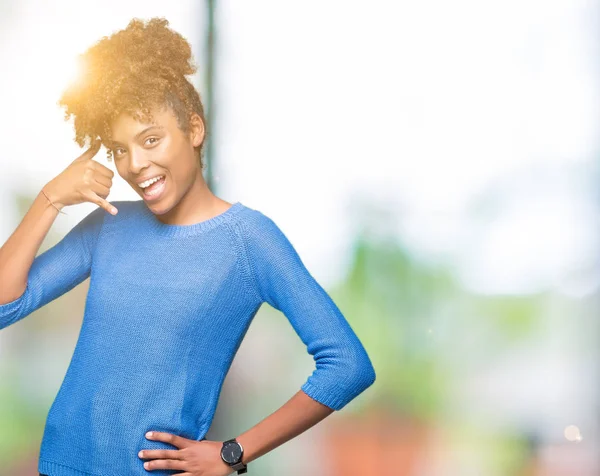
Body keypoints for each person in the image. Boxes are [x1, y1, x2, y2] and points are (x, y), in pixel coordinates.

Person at [0, 17, 376, 476]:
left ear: (193, 129)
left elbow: (348, 365)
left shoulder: (249, 240)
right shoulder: (108, 225)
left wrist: (233, 453)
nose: (135, 165)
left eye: (151, 139)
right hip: (58, 467)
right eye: (120, 149)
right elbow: (4, 306)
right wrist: (50, 199)